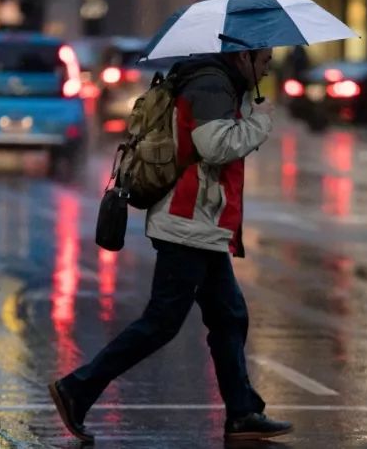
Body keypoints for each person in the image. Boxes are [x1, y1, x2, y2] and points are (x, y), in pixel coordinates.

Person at [49, 48, 293, 443]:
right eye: (264, 61)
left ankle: (242, 413)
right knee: (162, 322)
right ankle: (77, 389)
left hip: (199, 224)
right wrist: (259, 124)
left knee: (229, 315)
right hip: (187, 222)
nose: (267, 69)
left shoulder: (219, 82)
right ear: (245, 56)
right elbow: (214, 146)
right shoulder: (211, 85)